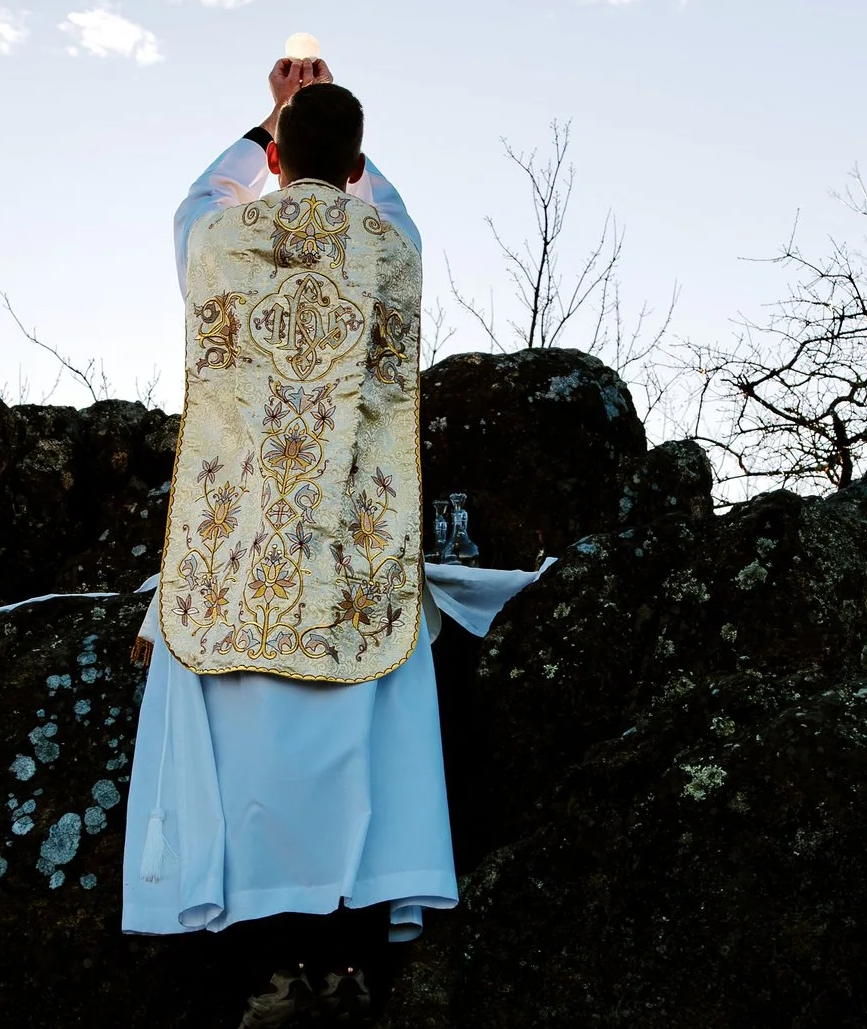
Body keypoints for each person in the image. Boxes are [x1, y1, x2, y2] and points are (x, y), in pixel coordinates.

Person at [121, 54, 549, 1027]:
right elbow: (389, 202)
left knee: (246, 758)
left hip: (237, 547)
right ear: (354, 158)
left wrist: (264, 122)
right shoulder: (387, 246)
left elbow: (195, 198)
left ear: (278, 152)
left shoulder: (222, 239)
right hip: (357, 542)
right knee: (355, 757)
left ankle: (261, 971)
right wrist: (336, 146)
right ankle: (346, 962)